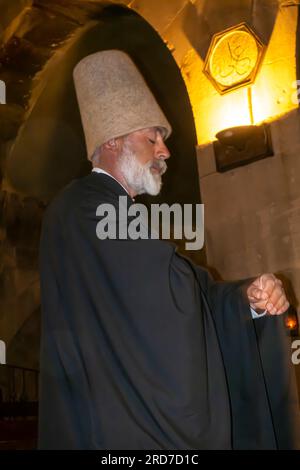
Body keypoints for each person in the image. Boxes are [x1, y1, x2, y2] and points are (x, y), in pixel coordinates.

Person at [38, 50, 300, 450]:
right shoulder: (87, 208)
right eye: (152, 137)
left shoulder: (102, 208)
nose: (165, 151)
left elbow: (185, 286)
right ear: (113, 142)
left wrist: (246, 298)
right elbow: (168, 298)